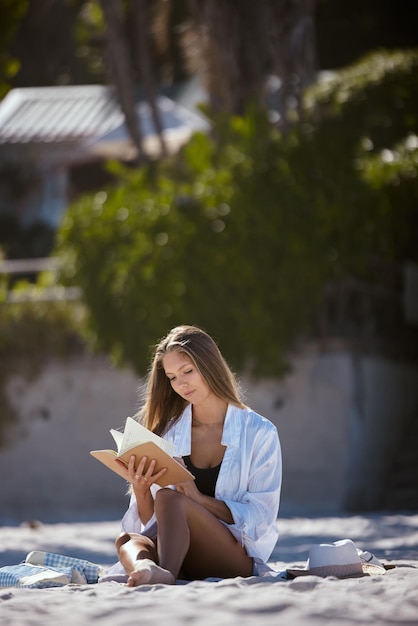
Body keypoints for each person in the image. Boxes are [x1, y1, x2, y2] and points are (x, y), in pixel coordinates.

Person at [109, 325, 282, 586]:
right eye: (172, 377)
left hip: (231, 558)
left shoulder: (259, 432)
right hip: (182, 556)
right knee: (128, 539)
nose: (181, 384)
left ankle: (164, 572)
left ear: (209, 365)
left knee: (171, 498)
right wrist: (141, 488)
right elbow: (152, 522)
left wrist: (197, 499)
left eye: (187, 371)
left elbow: (261, 518)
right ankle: (147, 567)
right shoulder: (169, 433)